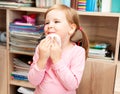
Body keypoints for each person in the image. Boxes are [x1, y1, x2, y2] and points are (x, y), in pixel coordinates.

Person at [28, 4, 89, 94]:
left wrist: (57, 60)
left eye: (56, 22)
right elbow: (33, 81)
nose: (50, 26)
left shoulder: (78, 52)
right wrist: (42, 59)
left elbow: (72, 85)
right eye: (47, 22)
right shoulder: (41, 49)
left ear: (71, 28)